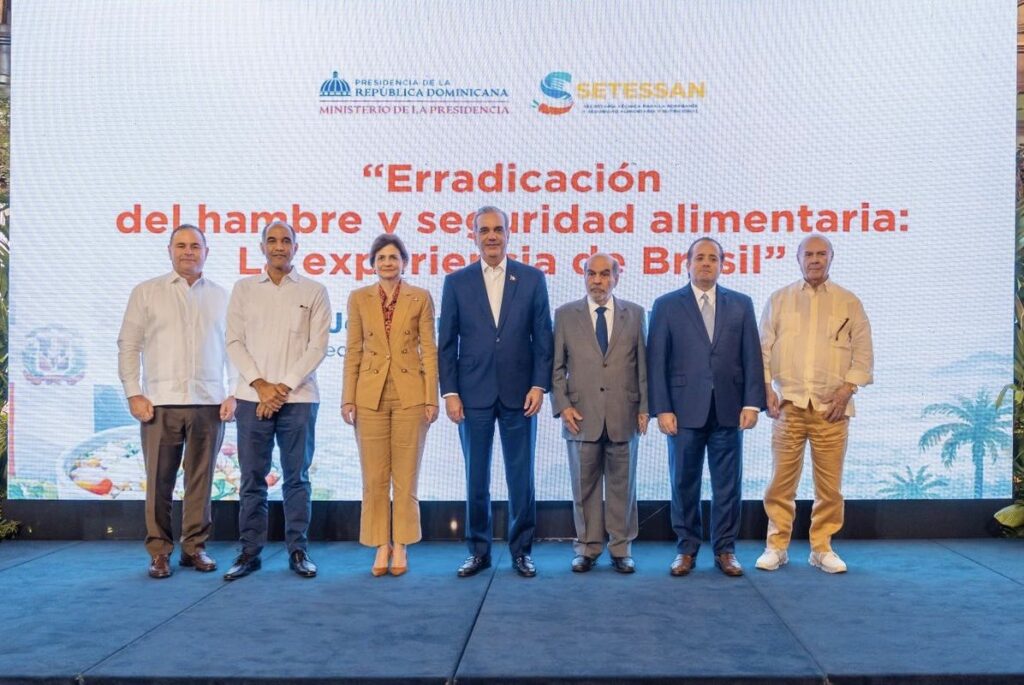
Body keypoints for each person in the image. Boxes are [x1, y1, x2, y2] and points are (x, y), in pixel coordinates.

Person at [438, 205, 554, 578]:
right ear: (473, 236)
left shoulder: (533, 279)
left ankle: (522, 551)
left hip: (521, 394)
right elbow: (447, 343)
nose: (491, 236)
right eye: (484, 230)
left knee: (522, 477)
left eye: (498, 229)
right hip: (472, 396)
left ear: (508, 233)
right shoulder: (456, 282)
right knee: (476, 477)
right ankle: (479, 550)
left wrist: (539, 385)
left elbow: (543, 339)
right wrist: (450, 393)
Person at [117, 224, 236, 579]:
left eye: (195, 246)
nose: (188, 251)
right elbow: (128, 344)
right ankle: (159, 552)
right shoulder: (147, 292)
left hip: (209, 403)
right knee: (159, 482)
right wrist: (132, 391)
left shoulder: (222, 296)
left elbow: (234, 349)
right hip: (159, 403)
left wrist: (235, 391)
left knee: (201, 482)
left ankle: (195, 549)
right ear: (169, 250)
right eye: (181, 245)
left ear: (206, 252)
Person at [647, 237, 765, 577]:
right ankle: (686, 549)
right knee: (684, 481)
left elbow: (751, 357)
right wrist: (662, 408)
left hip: (729, 408)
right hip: (683, 411)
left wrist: (752, 403)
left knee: (728, 484)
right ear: (687, 263)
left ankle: (725, 550)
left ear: (722, 264)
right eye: (700, 258)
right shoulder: (667, 305)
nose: (706, 264)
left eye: (713, 258)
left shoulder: (741, 304)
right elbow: (657, 361)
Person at [755, 236, 873, 574]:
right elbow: (762, 350)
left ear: (832, 258)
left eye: (822, 254)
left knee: (829, 486)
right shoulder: (779, 300)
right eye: (809, 254)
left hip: (831, 409)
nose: (815, 260)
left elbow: (863, 354)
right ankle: (776, 546)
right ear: (798, 258)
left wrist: (847, 390)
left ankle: (822, 548)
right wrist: (765, 388)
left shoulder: (848, 302)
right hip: (788, 405)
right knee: (780, 483)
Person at [223, 220, 331, 580]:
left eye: (286, 240)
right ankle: (249, 552)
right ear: (263, 247)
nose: (280, 246)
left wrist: (280, 388)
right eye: (273, 240)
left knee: (296, 477)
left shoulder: (315, 290)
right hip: (252, 397)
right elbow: (234, 342)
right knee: (252, 478)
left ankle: (298, 549)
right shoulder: (243, 289)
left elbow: (317, 347)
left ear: (296, 247)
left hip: (299, 398)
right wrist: (261, 386)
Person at [341, 234, 439, 577]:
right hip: (369, 395)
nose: (387, 263)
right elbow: (353, 349)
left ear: (404, 262)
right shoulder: (358, 298)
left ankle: (403, 545)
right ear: (372, 263)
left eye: (393, 257)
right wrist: (348, 397)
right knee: (375, 477)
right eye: (381, 257)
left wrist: (431, 397)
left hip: (410, 394)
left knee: (406, 476)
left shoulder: (420, 298)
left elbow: (429, 348)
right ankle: (380, 544)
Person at [551, 253, 648, 574]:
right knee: (584, 487)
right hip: (580, 415)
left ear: (616, 278)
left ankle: (621, 548)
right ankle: (588, 548)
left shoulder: (634, 314)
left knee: (624, 486)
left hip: (625, 413)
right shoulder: (565, 315)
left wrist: (645, 408)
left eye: (605, 274)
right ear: (584, 277)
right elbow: (556, 367)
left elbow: (643, 368)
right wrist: (563, 405)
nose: (598, 280)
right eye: (592, 274)